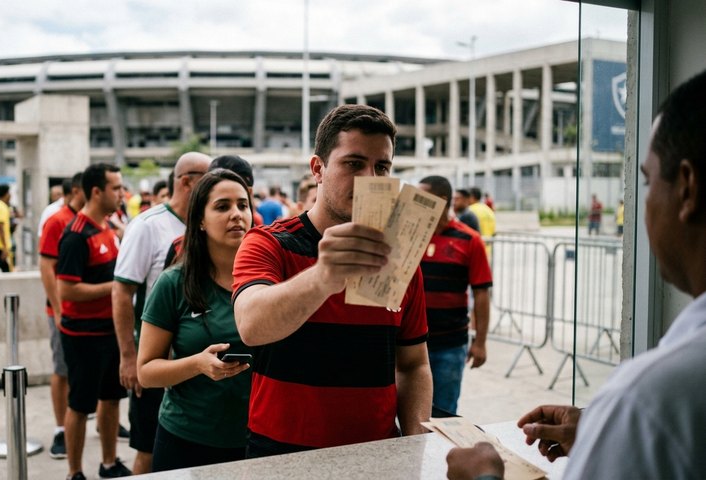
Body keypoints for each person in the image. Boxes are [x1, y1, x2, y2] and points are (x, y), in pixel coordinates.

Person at [445, 68, 706, 480]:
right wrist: (603, 430)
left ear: (687, 189)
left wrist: (482, 476)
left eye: (647, 179)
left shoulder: (652, 400)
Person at [233, 104, 431, 457]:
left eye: (382, 167)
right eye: (354, 164)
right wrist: (325, 276)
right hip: (281, 453)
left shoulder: (399, 256)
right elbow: (252, 325)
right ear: (318, 169)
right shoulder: (269, 242)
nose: (371, 179)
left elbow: (414, 364)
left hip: (376, 452)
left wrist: (415, 444)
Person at [137, 169, 253, 471]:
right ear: (200, 220)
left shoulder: (268, 278)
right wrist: (198, 364)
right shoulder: (173, 283)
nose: (236, 214)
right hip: (185, 440)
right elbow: (146, 372)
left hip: (257, 440)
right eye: (222, 206)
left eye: (243, 205)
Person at [112, 151, 211, 475]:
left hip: (198, 360)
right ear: (186, 181)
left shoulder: (208, 224)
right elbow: (122, 292)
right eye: (209, 176)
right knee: (148, 449)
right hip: (156, 357)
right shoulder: (147, 226)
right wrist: (129, 355)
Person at [56, 163, 131, 480]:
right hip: (83, 335)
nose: (122, 193)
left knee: (111, 398)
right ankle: (75, 472)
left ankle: (109, 463)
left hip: (111, 330)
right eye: (116, 188)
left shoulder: (109, 227)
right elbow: (67, 289)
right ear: (97, 191)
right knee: (80, 404)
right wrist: (116, 287)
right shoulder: (76, 235)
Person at [419, 176, 492, 417]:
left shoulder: (470, 240)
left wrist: (480, 342)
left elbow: (481, 293)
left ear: (441, 201)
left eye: (421, 196)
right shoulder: (411, 235)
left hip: (449, 346)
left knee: (443, 414)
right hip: (410, 344)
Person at [39, 173, 85, 459]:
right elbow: (47, 269)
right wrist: (58, 309)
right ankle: (60, 428)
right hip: (63, 311)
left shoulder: (98, 221)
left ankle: (106, 422)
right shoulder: (57, 220)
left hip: (91, 317)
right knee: (62, 370)